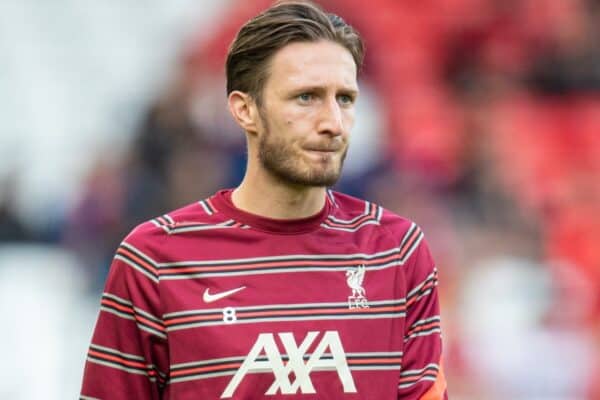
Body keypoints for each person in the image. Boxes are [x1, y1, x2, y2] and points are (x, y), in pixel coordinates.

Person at [79, 1, 447, 399]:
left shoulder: (397, 251)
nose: (332, 123)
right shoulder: (153, 258)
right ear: (245, 110)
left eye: (344, 99)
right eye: (305, 97)